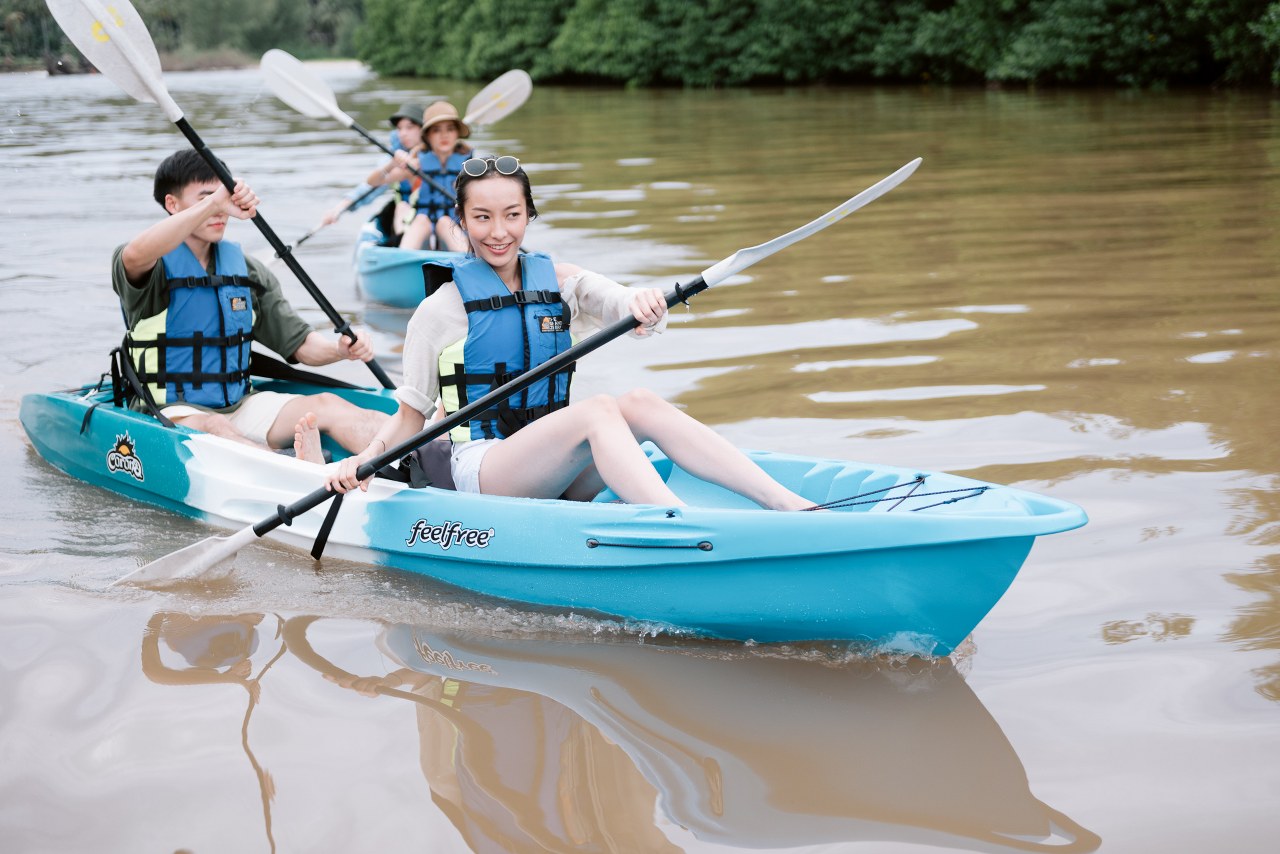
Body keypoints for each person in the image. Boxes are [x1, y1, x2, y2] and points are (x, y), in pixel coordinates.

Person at [325, 155, 812, 511]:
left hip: (551, 464)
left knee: (638, 401)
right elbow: (410, 417)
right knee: (599, 410)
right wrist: (363, 461)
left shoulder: (559, 284)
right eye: (482, 217)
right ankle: (680, 524)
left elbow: (616, 300)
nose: (499, 232)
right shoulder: (439, 310)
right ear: (461, 223)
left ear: (529, 216)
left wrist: (640, 302)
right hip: (484, 468)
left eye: (512, 215)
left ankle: (790, 505)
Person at [113, 148, 388, 464]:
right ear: (172, 204)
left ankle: (420, 456)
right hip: (169, 411)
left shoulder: (249, 272)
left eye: (222, 198)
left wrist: (339, 350)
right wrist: (215, 202)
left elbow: (299, 344)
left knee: (328, 405)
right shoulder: (149, 265)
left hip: (240, 404)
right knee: (215, 425)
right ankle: (299, 469)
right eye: (206, 199)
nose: (220, 210)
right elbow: (134, 255)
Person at [365, 101, 472, 252]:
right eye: (436, 130)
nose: (444, 135)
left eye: (450, 129)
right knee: (422, 220)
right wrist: (391, 164)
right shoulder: (417, 164)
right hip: (423, 226)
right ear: (427, 135)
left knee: (444, 221)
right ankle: (404, 258)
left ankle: (469, 263)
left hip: (456, 225)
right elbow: (373, 182)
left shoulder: (469, 165)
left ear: (457, 133)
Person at [318, 102, 426, 237]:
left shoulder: (439, 153)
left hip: (434, 216)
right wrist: (338, 209)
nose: (403, 134)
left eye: (410, 128)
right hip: (407, 214)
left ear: (423, 129)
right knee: (400, 207)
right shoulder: (393, 157)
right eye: (399, 129)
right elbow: (369, 187)